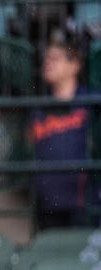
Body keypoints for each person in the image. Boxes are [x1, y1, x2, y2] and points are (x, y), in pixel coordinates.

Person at [31, 37, 96, 230]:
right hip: (47, 203)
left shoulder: (91, 101)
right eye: (46, 58)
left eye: (56, 58)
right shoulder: (38, 108)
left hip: (85, 203)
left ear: (75, 65)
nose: (48, 62)